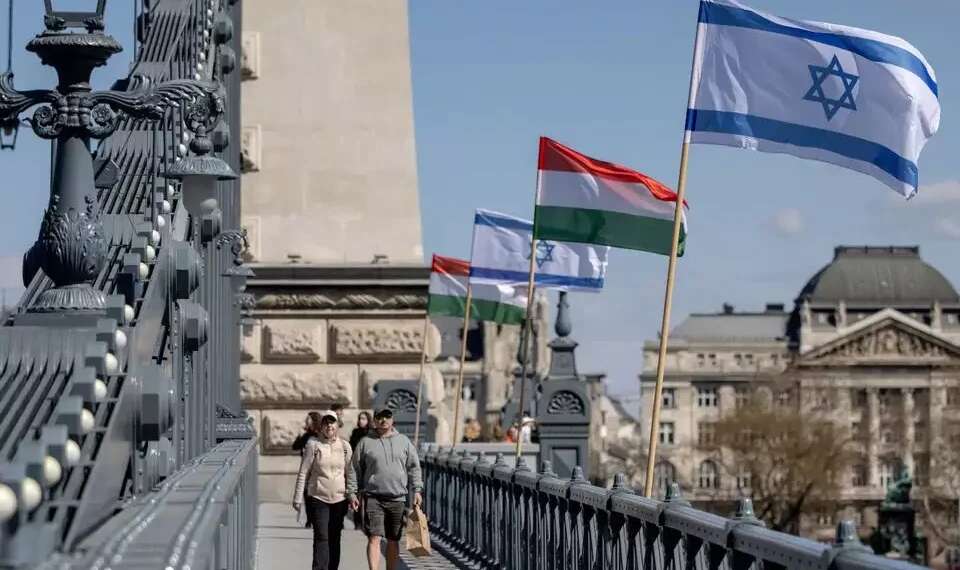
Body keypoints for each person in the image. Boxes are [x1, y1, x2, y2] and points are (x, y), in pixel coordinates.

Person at [346, 407, 423, 570]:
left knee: (393, 539)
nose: (383, 420)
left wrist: (417, 489)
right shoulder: (365, 442)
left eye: (387, 417)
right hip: (373, 497)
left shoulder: (403, 441)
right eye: (380, 417)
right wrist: (352, 493)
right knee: (374, 537)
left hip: (397, 498)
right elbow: (354, 468)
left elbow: (414, 467)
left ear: (392, 420)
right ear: (374, 421)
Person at [293, 410, 354, 570]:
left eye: (332, 422)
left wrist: (352, 494)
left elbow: (351, 473)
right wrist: (298, 498)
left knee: (334, 537)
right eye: (326, 423)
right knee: (321, 536)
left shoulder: (346, 447)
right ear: (321, 426)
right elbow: (303, 472)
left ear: (337, 425)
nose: (329, 426)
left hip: (340, 499)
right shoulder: (313, 445)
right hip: (318, 497)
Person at [292, 412, 321, 528]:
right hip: (307, 468)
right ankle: (310, 520)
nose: (306, 421)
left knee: (315, 496)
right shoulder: (306, 435)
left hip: (317, 470)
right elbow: (295, 446)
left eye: (308, 419)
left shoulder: (320, 435)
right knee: (307, 495)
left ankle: (315, 519)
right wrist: (299, 435)